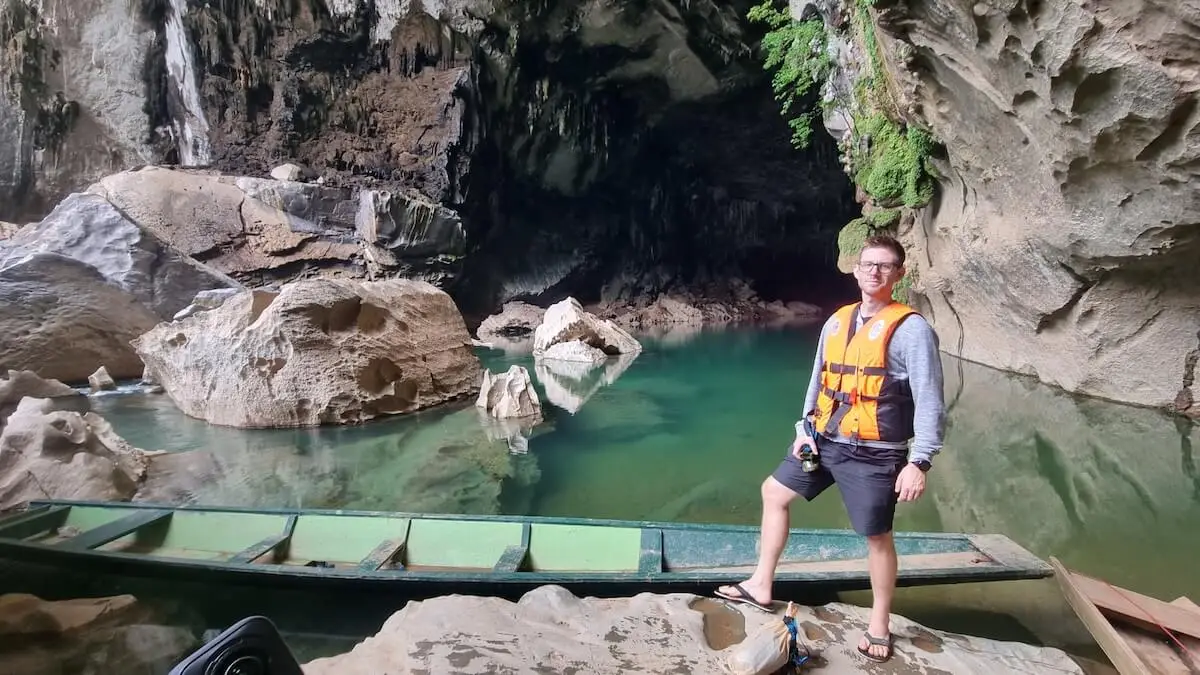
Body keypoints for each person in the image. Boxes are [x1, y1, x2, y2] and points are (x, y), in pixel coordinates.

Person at [715, 234, 946, 664]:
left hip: (875, 450)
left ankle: (879, 623)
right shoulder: (838, 320)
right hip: (822, 440)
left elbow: (931, 399)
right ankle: (761, 583)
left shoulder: (911, 330)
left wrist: (919, 461)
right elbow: (818, 379)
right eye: (867, 264)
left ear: (899, 274)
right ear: (856, 270)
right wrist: (803, 428)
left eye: (884, 266)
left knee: (877, 537)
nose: (873, 271)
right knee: (774, 492)